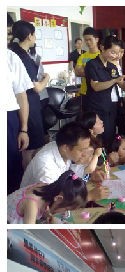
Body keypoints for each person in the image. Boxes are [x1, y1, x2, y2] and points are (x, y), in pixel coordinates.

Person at [84, 35, 125, 146]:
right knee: (99, 138)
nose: (115, 56)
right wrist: (114, 80)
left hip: (111, 107)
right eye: (112, 52)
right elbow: (96, 86)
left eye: (117, 53)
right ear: (102, 48)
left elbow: (122, 85)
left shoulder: (112, 67)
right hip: (97, 108)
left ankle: (109, 155)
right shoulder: (92, 65)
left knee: (111, 135)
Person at [9, 21, 48, 163]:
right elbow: (37, 87)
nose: (35, 38)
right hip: (28, 107)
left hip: (22, 106)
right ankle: (29, 175)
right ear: (29, 36)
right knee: (30, 148)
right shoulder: (23, 57)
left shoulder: (13, 52)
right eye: (34, 34)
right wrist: (47, 78)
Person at [8, 170, 88, 224]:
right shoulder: (32, 205)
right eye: (66, 209)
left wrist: (46, 215)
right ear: (58, 198)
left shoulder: (48, 188)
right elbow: (28, 234)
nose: (65, 214)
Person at [8, 46, 33, 193]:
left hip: (8, 118)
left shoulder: (10, 57)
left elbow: (21, 96)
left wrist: (23, 129)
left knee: (11, 167)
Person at [74, 27, 101, 107]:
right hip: (84, 92)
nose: (88, 42)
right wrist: (95, 71)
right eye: (86, 40)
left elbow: (103, 73)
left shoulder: (102, 55)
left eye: (90, 39)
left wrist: (85, 70)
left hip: (99, 92)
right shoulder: (82, 56)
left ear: (96, 39)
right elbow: (77, 72)